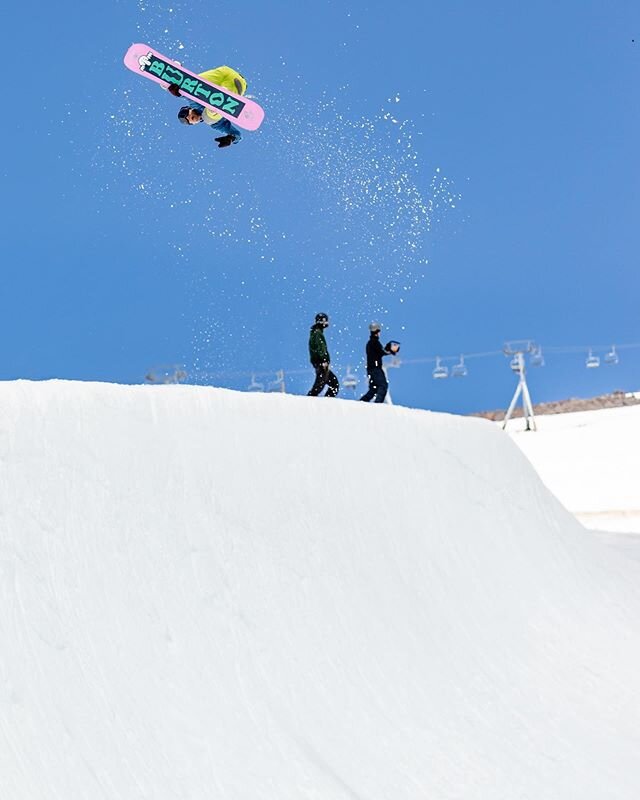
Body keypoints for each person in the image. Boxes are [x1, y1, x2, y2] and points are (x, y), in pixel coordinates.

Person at [167, 65, 247, 148]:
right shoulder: (216, 124)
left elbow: (189, 95)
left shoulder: (194, 104)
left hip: (223, 73)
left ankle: (172, 76)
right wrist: (231, 139)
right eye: (187, 122)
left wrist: (179, 92)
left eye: (185, 115)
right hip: (237, 84)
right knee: (208, 119)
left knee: (195, 85)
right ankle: (218, 103)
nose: (188, 118)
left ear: (189, 109)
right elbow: (237, 134)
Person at [360, 321, 399, 403]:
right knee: (383, 385)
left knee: (373, 389)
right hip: (375, 369)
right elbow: (382, 352)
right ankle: (377, 405)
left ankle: (361, 403)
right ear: (378, 332)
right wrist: (390, 349)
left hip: (371, 369)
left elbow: (380, 352)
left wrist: (389, 350)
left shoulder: (371, 343)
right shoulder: (374, 342)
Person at [307, 313, 340, 398]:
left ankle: (324, 401)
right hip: (321, 363)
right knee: (327, 384)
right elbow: (320, 349)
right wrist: (324, 360)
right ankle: (309, 401)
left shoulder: (315, 333)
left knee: (328, 383)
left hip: (319, 363)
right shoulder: (318, 334)